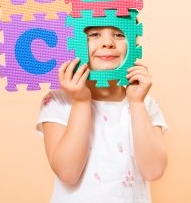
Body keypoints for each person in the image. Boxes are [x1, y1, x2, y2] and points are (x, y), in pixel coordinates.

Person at [36, 26, 168, 203]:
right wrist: (81, 102)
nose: (108, 43)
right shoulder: (57, 101)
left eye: (119, 34)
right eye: (94, 34)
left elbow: (153, 171)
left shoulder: (145, 103)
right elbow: (67, 172)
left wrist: (136, 103)